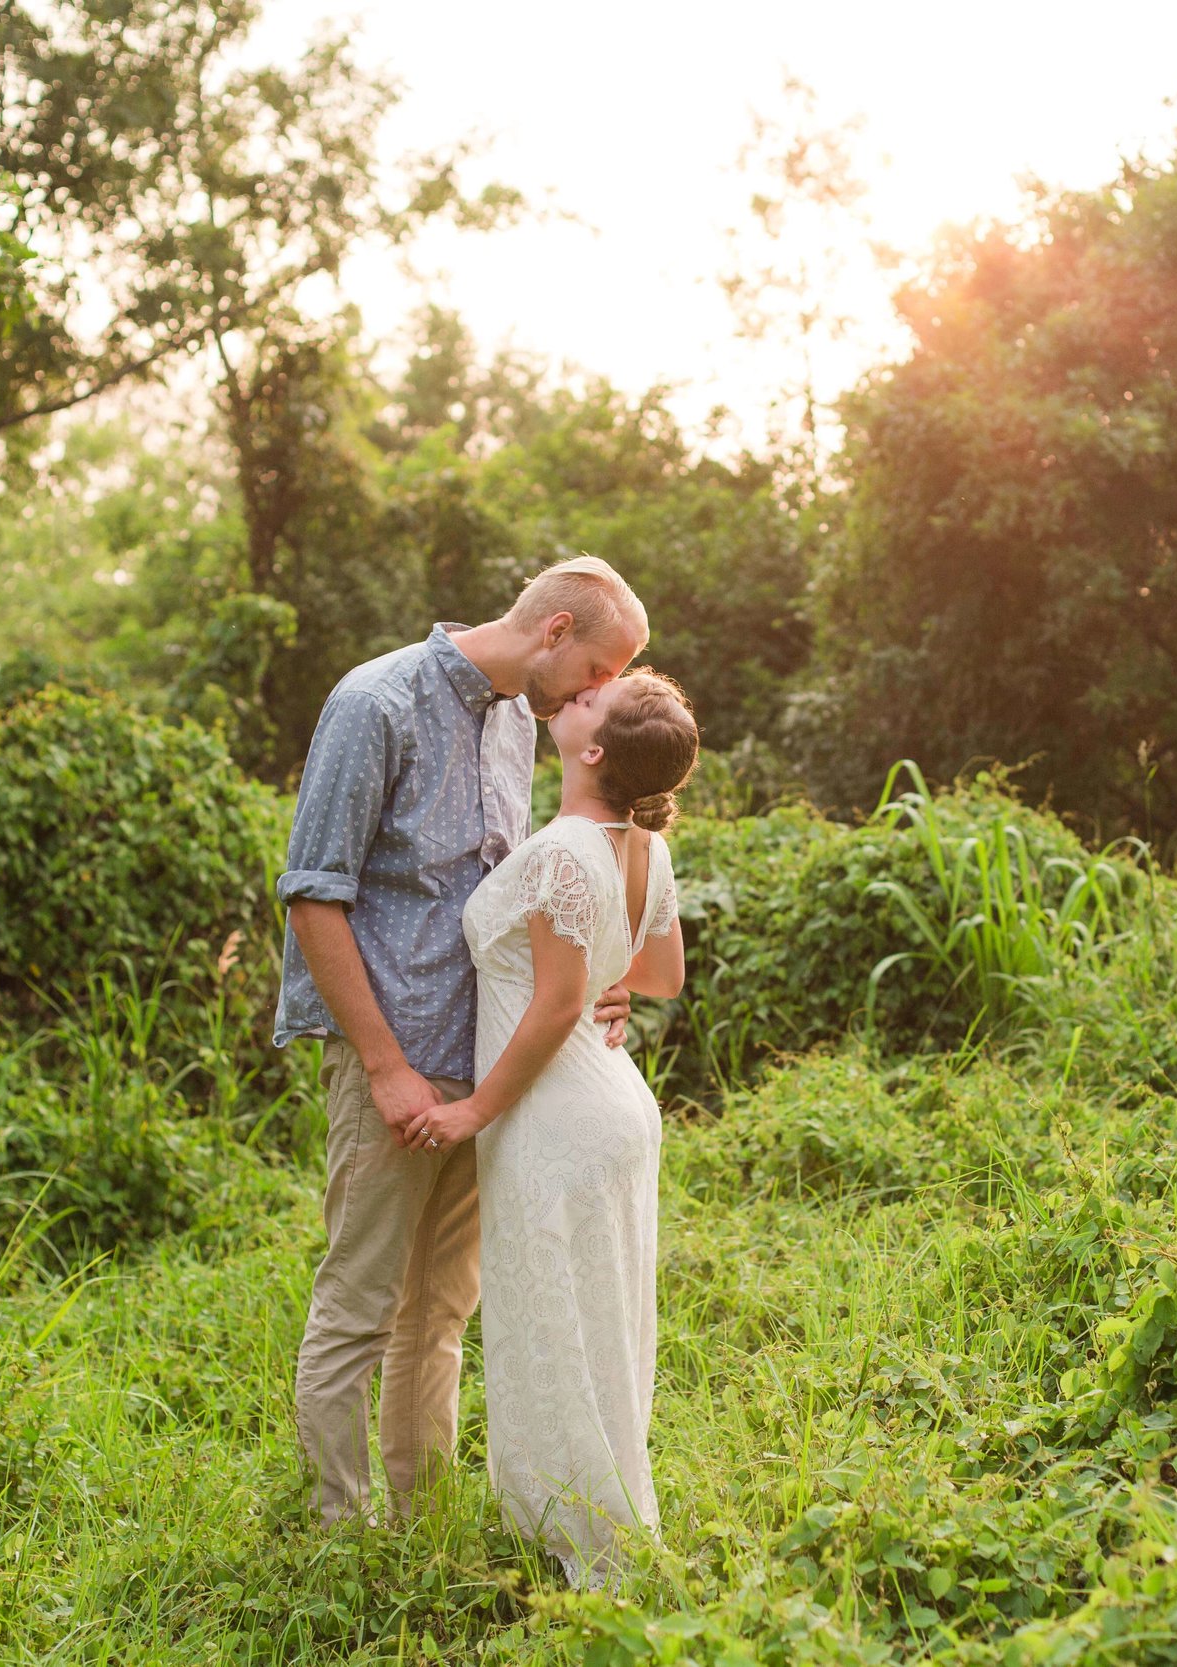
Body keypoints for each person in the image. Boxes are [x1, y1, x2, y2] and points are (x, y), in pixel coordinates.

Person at [274, 556, 647, 1527]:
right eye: (599, 672)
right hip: (391, 1061)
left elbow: (522, 896)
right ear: (556, 631)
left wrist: (603, 979)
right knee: (359, 1302)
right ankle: (334, 1524)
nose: (599, 698)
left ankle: (417, 1517)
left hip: (485, 1066)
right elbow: (314, 893)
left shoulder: (518, 719)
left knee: (437, 1311)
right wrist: (386, 1067)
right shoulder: (376, 701)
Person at [403, 669, 699, 1587]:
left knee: (556, 1324)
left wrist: (472, 1109)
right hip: (612, 1102)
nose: (573, 696)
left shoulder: (567, 849)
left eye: (588, 703)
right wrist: (606, 981)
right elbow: (662, 976)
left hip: (556, 1116)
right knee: (592, 1319)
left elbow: (554, 1001)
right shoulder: (637, 845)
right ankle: (585, 1513)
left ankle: (591, 1538)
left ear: (594, 748)